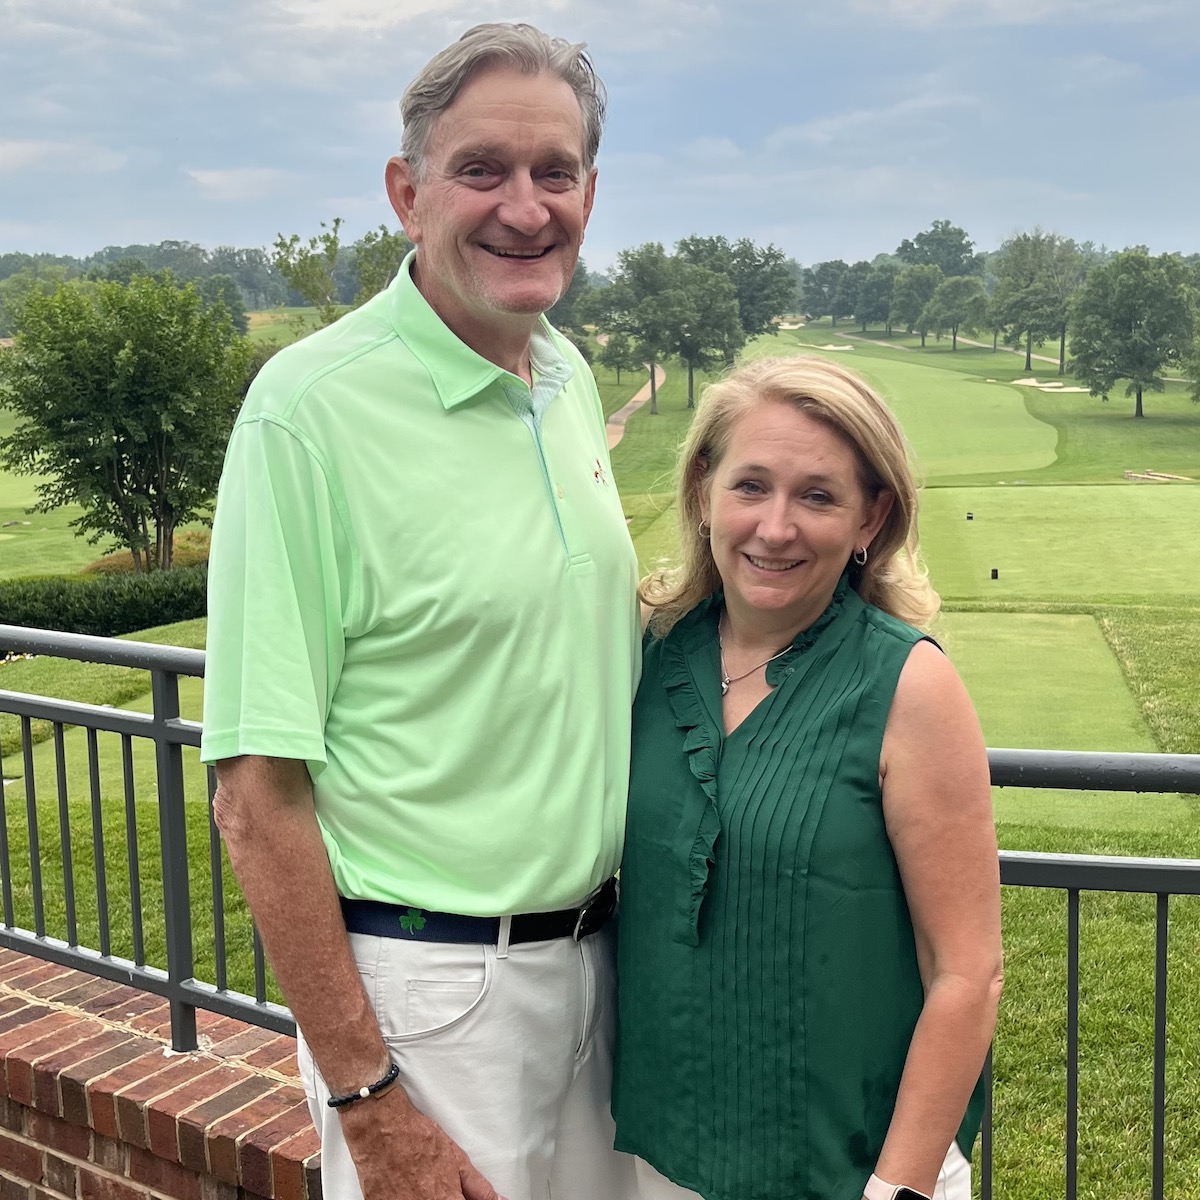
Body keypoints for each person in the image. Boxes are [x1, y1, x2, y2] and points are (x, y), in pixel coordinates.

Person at [200, 23, 640, 1200]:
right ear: (407, 193)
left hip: (611, 964)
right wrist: (366, 1099)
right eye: (482, 170)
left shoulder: (563, 372)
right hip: (437, 997)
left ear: (590, 193)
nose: (526, 207)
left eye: (556, 174)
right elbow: (255, 790)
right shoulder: (308, 412)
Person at [612, 355, 1003, 1200]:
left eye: (819, 496)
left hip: (854, 1169)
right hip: (662, 1156)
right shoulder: (647, 659)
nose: (776, 527)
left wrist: (898, 1188)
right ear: (705, 491)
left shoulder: (908, 685)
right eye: (751, 486)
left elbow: (967, 971)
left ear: (873, 519)